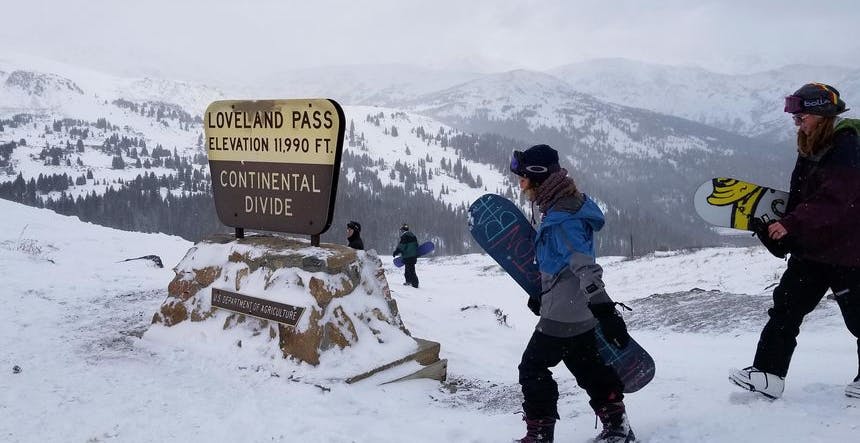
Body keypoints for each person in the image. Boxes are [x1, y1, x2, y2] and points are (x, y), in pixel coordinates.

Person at [730, 83, 860, 400]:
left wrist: (791, 223)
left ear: (821, 114)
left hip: (849, 251)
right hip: (813, 251)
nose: (797, 121)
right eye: (795, 116)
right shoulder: (811, 146)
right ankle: (768, 374)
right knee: (786, 308)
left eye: (802, 115)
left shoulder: (848, 146)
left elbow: (837, 199)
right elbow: (803, 198)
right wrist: (783, 234)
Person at [510, 144, 636, 443]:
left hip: (563, 314)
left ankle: (540, 434)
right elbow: (561, 263)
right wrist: (543, 291)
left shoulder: (562, 219)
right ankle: (618, 427)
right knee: (586, 365)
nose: (521, 184)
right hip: (576, 309)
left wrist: (607, 313)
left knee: (532, 367)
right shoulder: (563, 207)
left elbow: (584, 267)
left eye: (524, 178)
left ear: (538, 177)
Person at [393, 223, 419, 288]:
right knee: (410, 269)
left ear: (403, 230)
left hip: (407, 256)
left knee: (410, 270)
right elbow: (416, 245)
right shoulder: (413, 236)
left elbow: (402, 246)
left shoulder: (404, 236)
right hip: (413, 256)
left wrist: (396, 252)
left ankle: (414, 284)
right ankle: (409, 282)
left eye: (401, 230)